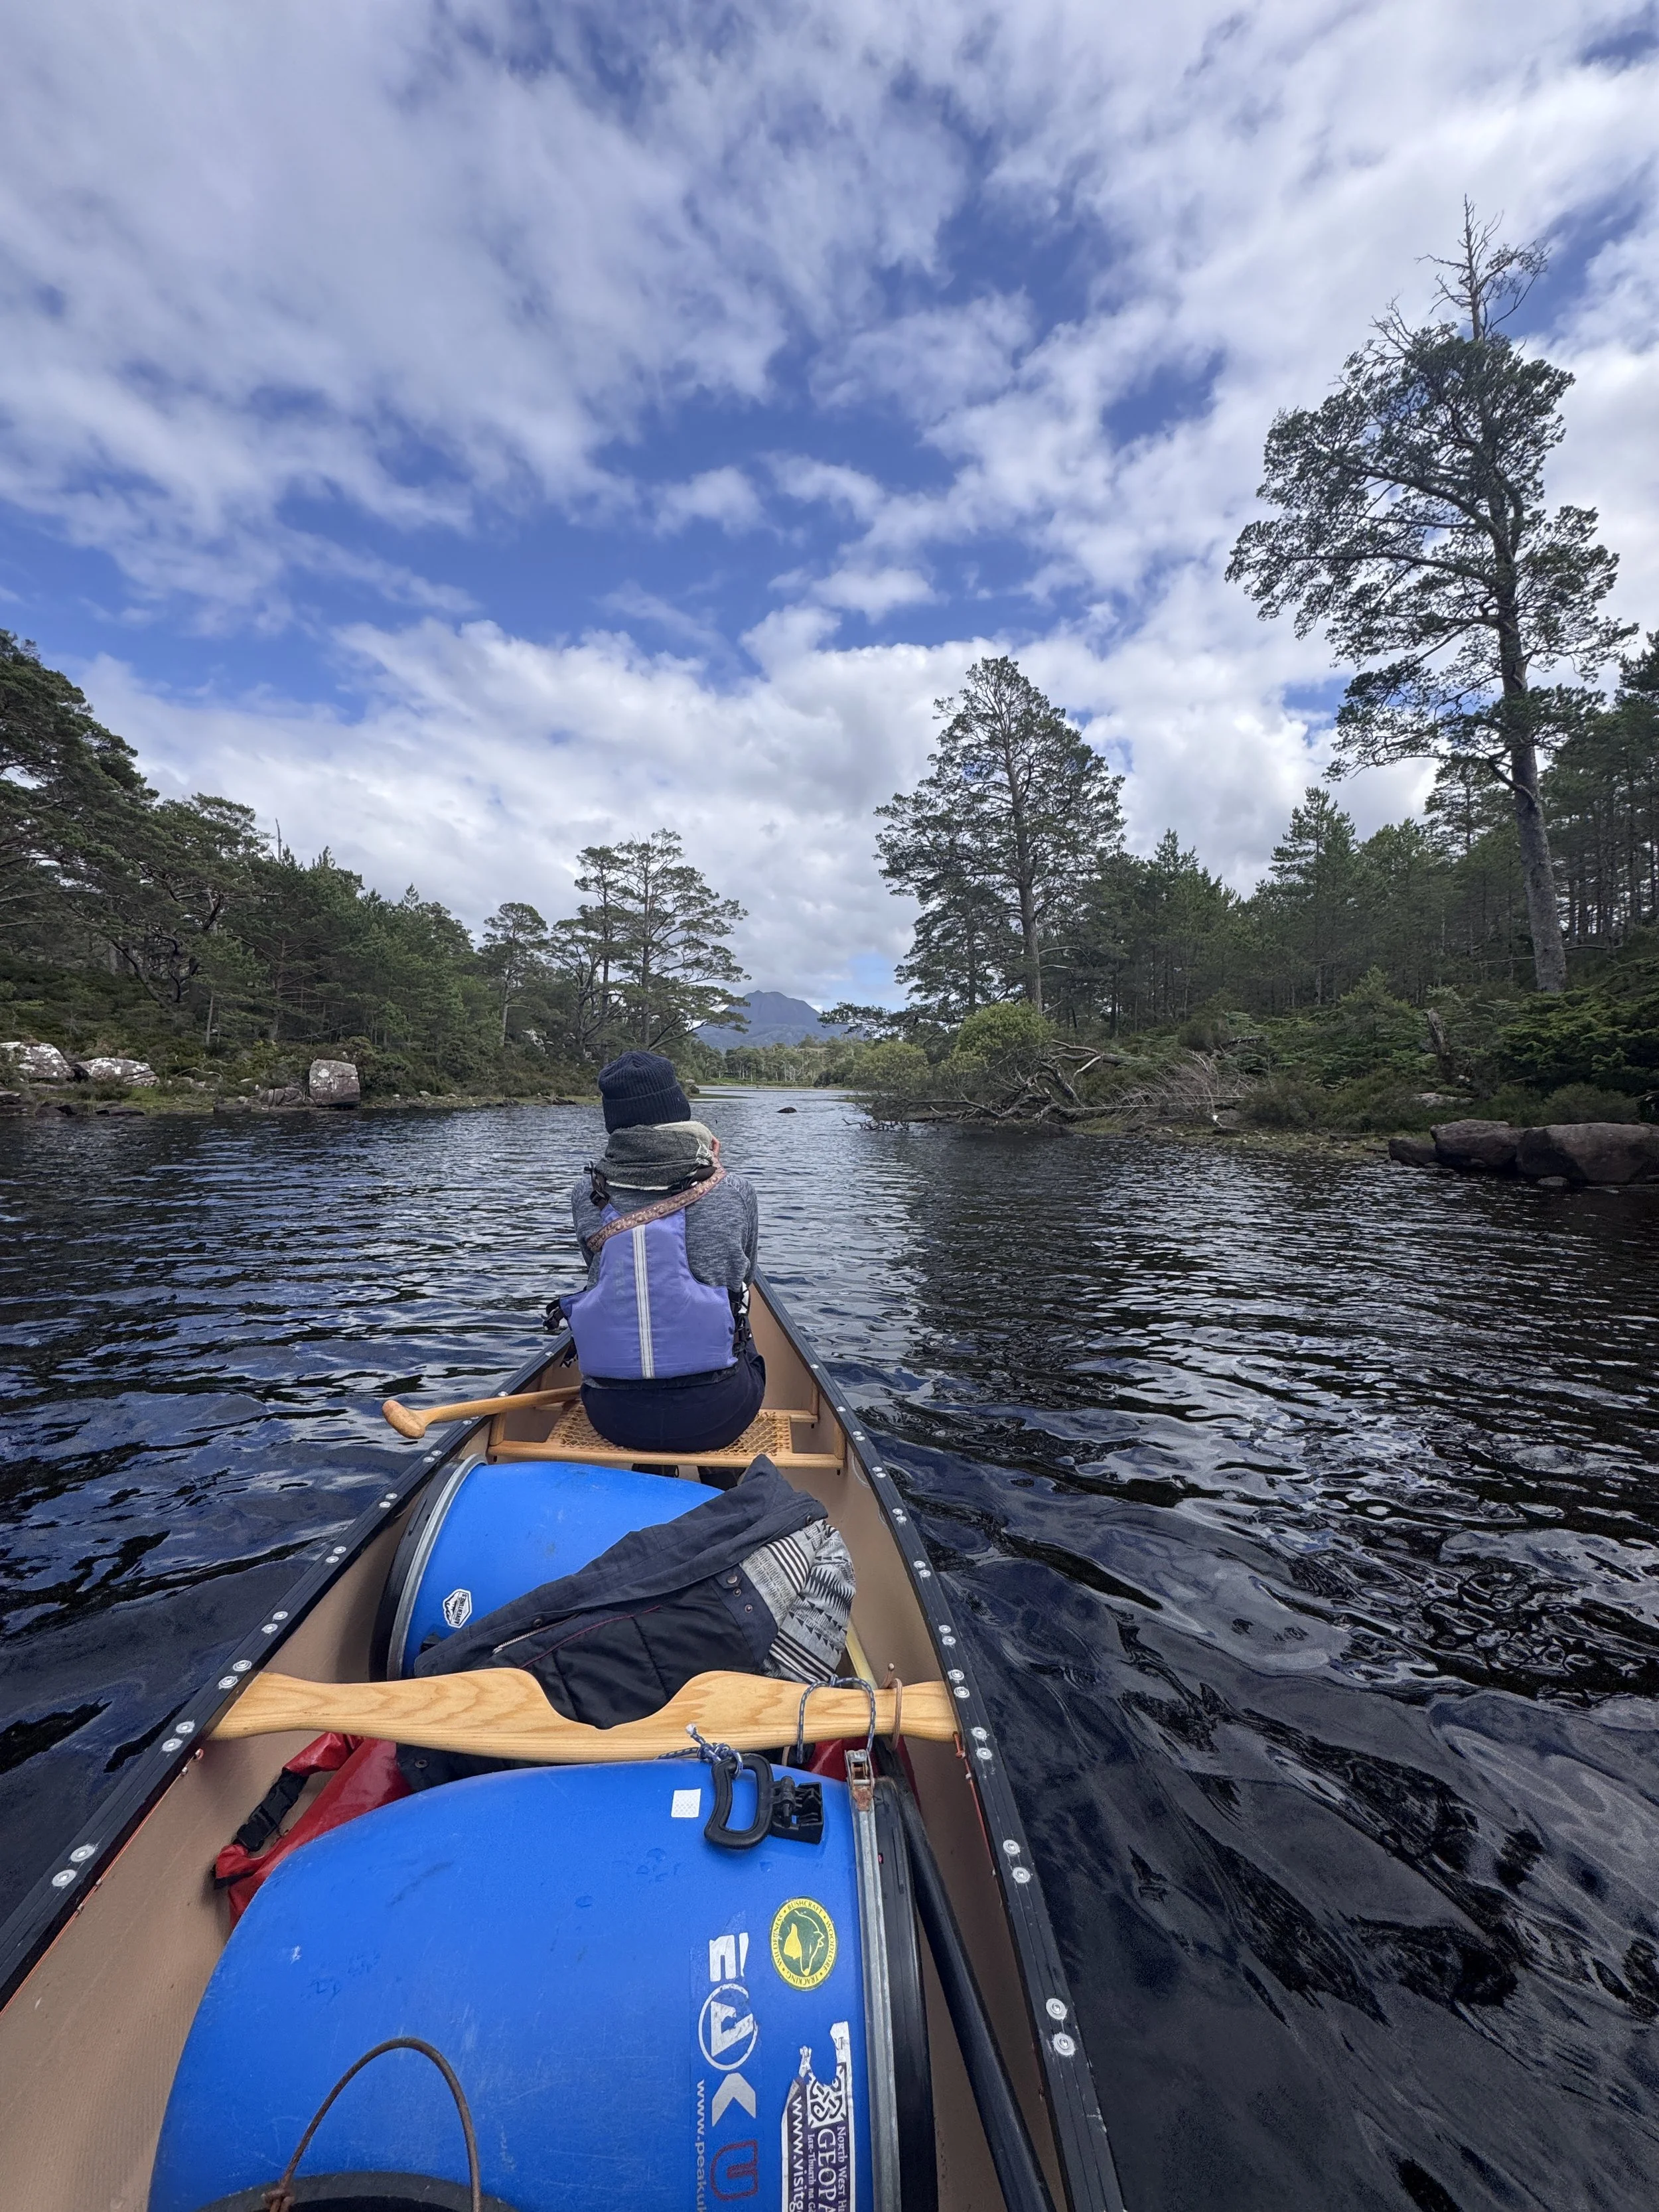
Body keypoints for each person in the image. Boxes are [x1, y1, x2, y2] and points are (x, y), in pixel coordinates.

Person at [561, 1050, 763, 1457]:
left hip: (612, 1415)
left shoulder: (587, 1193)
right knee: (740, 1323)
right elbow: (745, 1276)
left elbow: (600, 1269)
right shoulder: (734, 1188)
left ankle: (654, 1479)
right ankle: (719, 1482)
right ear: (679, 1110)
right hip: (719, 1414)